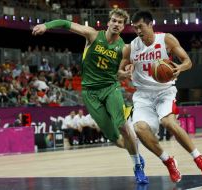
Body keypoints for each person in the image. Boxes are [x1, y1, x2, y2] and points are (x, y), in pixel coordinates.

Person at [32, 8, 148, 184]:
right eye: (114, 21)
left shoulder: (124, 48)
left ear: (123, 27)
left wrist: (126, 72)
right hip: (89, 93)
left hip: (110, 88)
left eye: (120, 22)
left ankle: (137, 166)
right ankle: (136, 155)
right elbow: (65, 23)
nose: (116, 24)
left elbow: (120, 71)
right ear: (108, 22)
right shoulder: (92, 35)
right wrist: (45, 26)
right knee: (116, 139)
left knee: (123, 126)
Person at [118, 10, 202, 183]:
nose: (138, 31)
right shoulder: (130, 47)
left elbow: (187, 61)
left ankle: (199, 158)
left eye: (141, 27)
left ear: (150, 24)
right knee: (139, 129)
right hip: (143, 95)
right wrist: (124, 73)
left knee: (168, 122)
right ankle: (168, 161)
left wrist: (179, 68)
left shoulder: (166, 39)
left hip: (164, 91)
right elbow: (119, 71)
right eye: (135, 28)